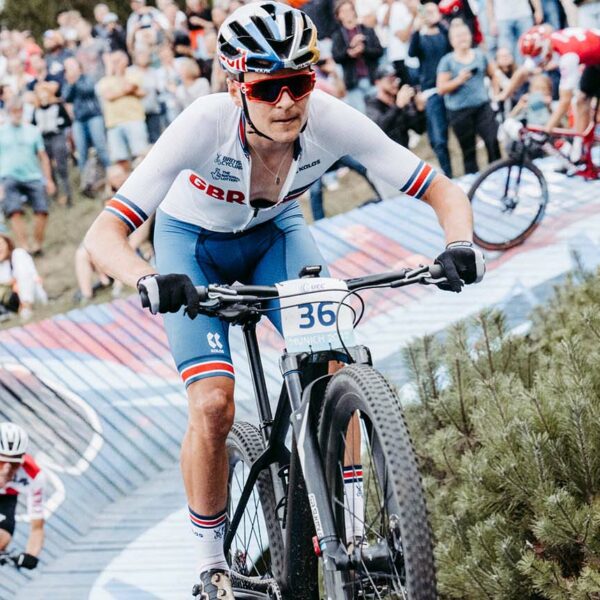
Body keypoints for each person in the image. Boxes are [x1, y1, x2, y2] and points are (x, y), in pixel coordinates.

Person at [83, 3, 485, 597]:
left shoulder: (330, 120)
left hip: (276, 234)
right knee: (215, 404)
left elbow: (441, 189)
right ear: (235, 85)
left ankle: (349, 531)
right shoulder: (201, 124)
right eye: (268, 88)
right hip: (190, 247)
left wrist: (459, 244)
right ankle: (212, 561)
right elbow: (102, 236)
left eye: (299, 83)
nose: (287, 103)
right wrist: (147, 278)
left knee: (336, 364)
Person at [502, 25, 600, 161]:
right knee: (582, 100)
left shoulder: (568, 57)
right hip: (594, 57)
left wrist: (546, 130)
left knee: (585, 102)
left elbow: (565, 101)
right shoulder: (546, 43)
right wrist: (502, 96)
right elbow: (523, 72)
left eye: (538, 57)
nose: (538, 63)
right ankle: (581, 150)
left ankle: (581, 148)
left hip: (593, 54)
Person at [437, 22, 500, 174]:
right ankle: (474, 181)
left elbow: (494, 74)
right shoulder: (447, 61)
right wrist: (458, 80)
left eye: (465, 35)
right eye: (458, 36)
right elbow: (441, 88)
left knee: (492, 141)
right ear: (452, 40)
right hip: (459, 111)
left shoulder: (480, 55)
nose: (462, 39)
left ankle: (498, 172)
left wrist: (495, 95)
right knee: (468, 149)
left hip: (482, 106)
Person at [0, 97, 55, 254]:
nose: (17, 114)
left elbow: (43, 157)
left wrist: (49, 179)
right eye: (14, 111)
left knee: (42, 210)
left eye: (19, 111)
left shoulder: (32, 130)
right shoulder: (1, 132)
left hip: (33, 176)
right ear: (8, 113)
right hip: (9, 176)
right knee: (14, 211)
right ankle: (24, 246)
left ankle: (37, 244)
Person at [408, 2, 453, 176]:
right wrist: (416, 30)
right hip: (431, 90)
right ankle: (448, 174)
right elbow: (412, 53)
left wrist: (439, 21)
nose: (429, 15)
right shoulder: (420, 35)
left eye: (432, 11)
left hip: (450, 86)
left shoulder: (444, 31)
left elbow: (451, 41)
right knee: (438, 140)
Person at [0, 422, 46, 571]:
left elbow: (37, 527)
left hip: (6, 498)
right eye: (1, 462)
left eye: (13, 463)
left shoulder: (34, 476)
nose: (7, 469)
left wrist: (31, 555)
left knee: (2, 538)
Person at [97, 50, 149, 165]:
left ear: (125, 60)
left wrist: (122, 90)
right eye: (113, 61)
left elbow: (132, 88)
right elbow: (109, 95)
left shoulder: (134, 74)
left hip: (134, 119)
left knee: (141, 155)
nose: (116, 64)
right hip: (113, 123)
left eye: (118, 61)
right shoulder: (105, 80)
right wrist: (128, 91)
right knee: (120, 159)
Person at [332, 0, 384, 113]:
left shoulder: (367, 30)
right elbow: (336, 57)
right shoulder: (338, 35)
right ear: (338, 15)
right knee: (362, 116)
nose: (347, 14)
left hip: (372, 78)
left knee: (378, 114)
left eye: (349, 10)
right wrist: (349, 51)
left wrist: (364, 50)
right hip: (353, 83)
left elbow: (379, 51)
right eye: (343, 11)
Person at [366, 63, 426, 149]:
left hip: (404, 151)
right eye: (390, 80)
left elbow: (419, 129)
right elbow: (380, 128)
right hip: (384, 155)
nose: (395, 83)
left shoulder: (399, 100)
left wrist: (420, 109)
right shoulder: (372, 104)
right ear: (377, 83)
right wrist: (398, 106)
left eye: (396, 79)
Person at [0, 229, 47, 321]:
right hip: (12, 303)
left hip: (33, 295)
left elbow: (27, 276)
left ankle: (26, 307)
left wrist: (13, 283)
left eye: (0, 244)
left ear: (7, 243)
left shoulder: (18, 254)